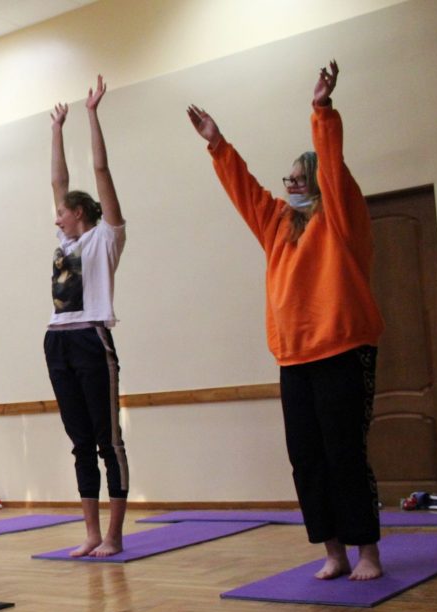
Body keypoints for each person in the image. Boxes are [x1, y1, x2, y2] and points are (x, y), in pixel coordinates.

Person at [187, 60, 385, 580]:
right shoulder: (277, 223)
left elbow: (334, 169)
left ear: (317, 183)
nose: (291, 185)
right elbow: (245, 190)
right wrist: (217, 144)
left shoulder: (339, 219)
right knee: (307, 459)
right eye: (288, 179)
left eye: (299, 178)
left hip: (343, 349)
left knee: (345, 453)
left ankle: (367, 552)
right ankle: (333, 551)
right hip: (294, 358)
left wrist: (321, 111)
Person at [46, 76, 130, 558]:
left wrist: (92, 115)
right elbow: (57, 181)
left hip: (92, 339)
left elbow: (100, 170)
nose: (56, 217)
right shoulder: (67, 240)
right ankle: (92, 534)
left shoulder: (106, 237)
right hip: (58, 339)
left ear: (79, 212)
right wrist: (57, 130)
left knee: (107, 440)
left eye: (63, 211)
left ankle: (114, 535)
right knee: (79, 442)